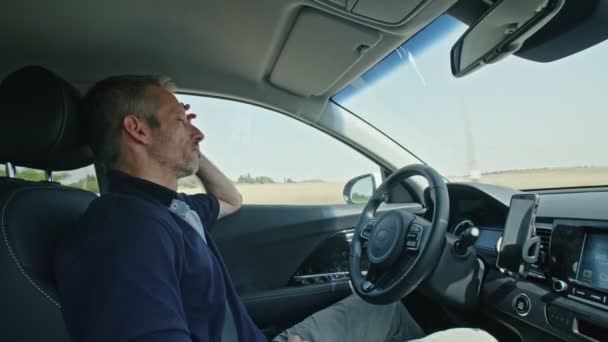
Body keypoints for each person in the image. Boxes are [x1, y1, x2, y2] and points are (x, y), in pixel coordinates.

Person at [54, 75, 495, 342]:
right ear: (137, 130)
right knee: (474, 338)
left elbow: (232, 199)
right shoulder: (126, 233)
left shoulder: (172, 209)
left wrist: (184, 146)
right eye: (181, 119)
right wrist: (178, 145)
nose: (198, 132)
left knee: (385, 308)